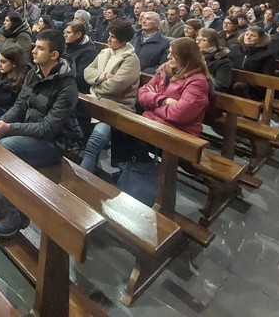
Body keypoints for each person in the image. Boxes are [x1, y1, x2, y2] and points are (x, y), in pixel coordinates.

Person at [0, 29, 81, 239]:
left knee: (8, 145)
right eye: (35, 46)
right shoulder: (35, 73)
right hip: (30, 131)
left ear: (55, 55)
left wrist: (10, 128)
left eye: (40, 48)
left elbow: (47, 129)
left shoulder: (67, 87)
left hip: (54, 143)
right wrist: (1, 121)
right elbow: (20, 105)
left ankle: (19, 213)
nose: (33, 51)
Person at [117, 38, 211, 205]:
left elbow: (179, 114)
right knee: (119, 129)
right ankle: (132, 175)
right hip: (155, 124)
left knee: (132, 138)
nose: (169, 57)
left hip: (179, 133)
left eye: (173, 54)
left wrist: (153, 104)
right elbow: (142, 94)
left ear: (186, 57)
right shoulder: (165, 70)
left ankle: (146, 187)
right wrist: (162, 101)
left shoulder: (198, 81)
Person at [80, 21, 141, 174]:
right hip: (95, 100)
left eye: (113, 37)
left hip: (116, 107)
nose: (108, 40)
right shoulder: (105, 52)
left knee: (94, 143)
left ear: (123, 40)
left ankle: (82, 181)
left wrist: (96, 86)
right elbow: (87, 72)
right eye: (109, 36)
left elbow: (116, 86)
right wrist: (103, 76)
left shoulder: (130, 59)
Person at [62, 21, 98, 94]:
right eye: (65, 32)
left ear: (78, 34)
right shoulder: (68, 45)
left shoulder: (89, 52)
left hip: (76, 89)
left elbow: (80, 77)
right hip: (63, 82)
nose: (65, 35)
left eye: (68, 33)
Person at [196, 28, 232, 92]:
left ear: (213, 42)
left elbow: (221, 86)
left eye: (203, 40)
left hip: (209, 94)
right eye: (197, 39)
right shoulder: (194, 54)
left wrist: (206, 71)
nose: (197, 42)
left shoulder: (223, 61)